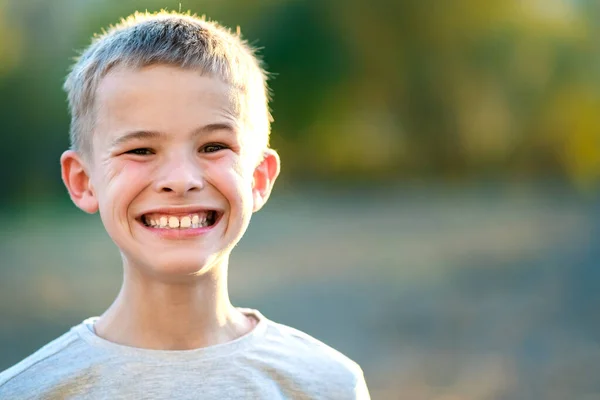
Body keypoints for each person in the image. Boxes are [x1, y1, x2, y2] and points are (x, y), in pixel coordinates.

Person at [0, 10, 370, 400]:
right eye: (140, 150)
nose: (180, 179)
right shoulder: (28, 391)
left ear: (259, 177)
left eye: (213, 147)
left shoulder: (328, 385)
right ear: (83, 181)